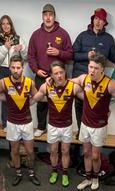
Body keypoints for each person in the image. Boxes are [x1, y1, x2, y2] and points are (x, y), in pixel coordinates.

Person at [72, 8, 115, 133]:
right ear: (93, 19)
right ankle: (80, 131)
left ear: (105, 23)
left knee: (97, 104)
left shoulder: (108, 39)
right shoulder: (82, 36)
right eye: (96, 18)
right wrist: (86, 56)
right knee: (79, 104)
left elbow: (114, 56)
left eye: (102, 20)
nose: (98, 22)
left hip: (98, 80)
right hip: (80, 75)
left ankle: (95, 132)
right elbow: (72, 55)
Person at [72, 53, 115, 191]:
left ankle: (95, 178)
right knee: (87, 153)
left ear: (102, 69)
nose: (92, 70)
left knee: (95, 156)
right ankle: (88, 178)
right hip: (85, 123)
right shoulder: (84, 78)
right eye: (90, 67)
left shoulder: (110, 84)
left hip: (99, 126)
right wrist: (52, 81)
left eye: (96, 68)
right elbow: (71, 82)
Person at [31, 61, 83, 187]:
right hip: (53, 125)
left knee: (65, 151)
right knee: (53, 151)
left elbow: (90, 99)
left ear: (65, 72)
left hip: (67, 126)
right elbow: (32, 100)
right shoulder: (46, 86)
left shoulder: (73, 86)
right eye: (55, 73)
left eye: (61, 72)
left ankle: (64, 173)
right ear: (51, 75)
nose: (59, 76)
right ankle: (54, 171)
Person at [0, 54, 40, 186]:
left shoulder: (29, 82)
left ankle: (31, 172)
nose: (15, 70)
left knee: (30, 151)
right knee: (14, 150)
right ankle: (18, 173)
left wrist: (29, 102)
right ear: (10, 68)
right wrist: (4, 98)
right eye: (13, 67)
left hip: (27, 122)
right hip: (12, 122)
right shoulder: (4, 82)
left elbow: (37, 97)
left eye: (18, 67)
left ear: (22, 68)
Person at [28, 3, 73, 137]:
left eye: (50, 15)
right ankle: (41, 127)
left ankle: (60, 128)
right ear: (42, 17)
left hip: (59, 77)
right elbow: (30, 56)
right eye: (45, 15)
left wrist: (58, 52)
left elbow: (70, 55)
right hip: (41, 74)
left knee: (59, 103)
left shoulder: (63, 34)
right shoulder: (35, 35)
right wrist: (36, 70)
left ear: (54, 17)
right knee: (41, 103)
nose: (48, 18)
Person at [0, 15, 27, 127]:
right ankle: (6, 124)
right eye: (3, 24)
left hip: (15, 70)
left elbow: (26, 57)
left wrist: (23, 49)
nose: (6, 26)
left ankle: (18, 121)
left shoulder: (18, 38)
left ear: (11, 25)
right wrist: (5, 47)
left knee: (17, 96)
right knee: (5, 99)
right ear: (0, 26)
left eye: (8, 23)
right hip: (3, 70)